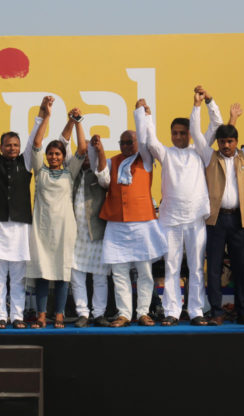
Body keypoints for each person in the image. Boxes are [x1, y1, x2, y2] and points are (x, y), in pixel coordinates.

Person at [194, 93, 244, 325]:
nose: (226, 146)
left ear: (236, 142)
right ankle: (217, 312)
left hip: (239, 220)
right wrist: (198, 105)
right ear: (217, 143)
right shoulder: (209, 156)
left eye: (230, 142)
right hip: (216, 220)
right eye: (222, 142)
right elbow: (196, 133)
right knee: (214, 268)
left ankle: (243, 311)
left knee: (242, 268)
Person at [91, 100, 167, 328]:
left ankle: (143, 312)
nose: (125, 146)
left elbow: (145, 138)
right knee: (119, 272)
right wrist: (100, 151)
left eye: (129, 142)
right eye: (122, 142)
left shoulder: (146, 159)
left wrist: (142, 114)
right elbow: (103, 180)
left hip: (142, 223)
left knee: (145, 272)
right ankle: (124, 313)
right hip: (117, 224)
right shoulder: (113, 161)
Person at [143, 89, 212, 326]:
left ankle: (196, 311)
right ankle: (171, 311)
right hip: (171, 220)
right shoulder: (166, 154)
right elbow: (151, 141)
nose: (178, 137)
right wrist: (147, 116)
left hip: (195, 219)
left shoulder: (199, 152)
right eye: (175, 133)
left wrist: (199, 105)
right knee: (171, 267)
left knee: (196, 267)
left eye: (183, 133)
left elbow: (213, 127)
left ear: (190, 135)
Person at [27, 97, 87, 329]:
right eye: (50, 154)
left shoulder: (69, 173)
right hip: (42, 230)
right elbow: (36, 143)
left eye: (58, 154)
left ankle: (59, 315)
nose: (53, 157)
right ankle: (42, 316)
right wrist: (47, 116)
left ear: (63, 157)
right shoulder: (40, 171)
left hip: (65, 230)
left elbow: (82, 149)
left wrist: (77, 122)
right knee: (42, 273)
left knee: (62, 273)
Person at [0, 99, 42, 329]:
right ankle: (0, 316)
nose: (13, 148)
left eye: (16, 145)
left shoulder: (25, 162)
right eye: (8, 145)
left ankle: (17, 316)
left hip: (19, 227)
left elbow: (33, 139)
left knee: (18, 277)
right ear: (0, 146)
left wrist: (41, 115)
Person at [67, 134, 109, 328]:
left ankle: (99, 313)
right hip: (75, 234)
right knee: (77, 276)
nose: (85, 158)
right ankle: (82, 313)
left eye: (88, 154)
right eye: (82, 154)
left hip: (96, 233)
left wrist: (99, 151)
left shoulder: (99, 174)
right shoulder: (73, 174)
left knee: (100, 276)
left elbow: (105, 179)